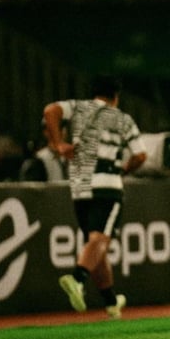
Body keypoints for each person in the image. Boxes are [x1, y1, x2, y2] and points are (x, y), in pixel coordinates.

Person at [43, 75, 147, 319]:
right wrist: (123, 170)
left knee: (95, 245)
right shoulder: (122, 118)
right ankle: (78, 278)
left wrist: (59, 144)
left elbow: (50, 110)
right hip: (106, 184)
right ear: (116, 96)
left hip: (80, 187)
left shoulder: (77, 107)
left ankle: (111, 302)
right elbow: (141, 156)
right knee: (101, 240)